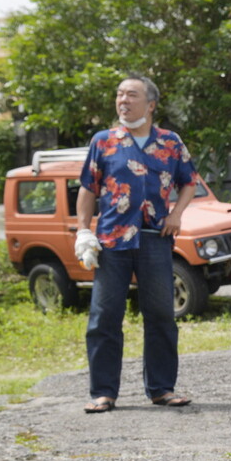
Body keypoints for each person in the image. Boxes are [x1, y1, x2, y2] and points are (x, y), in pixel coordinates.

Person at [75, 74, 197, 413]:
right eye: (119, 95)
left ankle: (161, 389)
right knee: (104, 317)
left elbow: (190, 181)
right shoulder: (104, 141)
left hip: (155, 240)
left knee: (160, 315)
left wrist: (177, 214)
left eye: (131, 95)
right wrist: (83, 231)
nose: (123, 101)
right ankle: (103, 393)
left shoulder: (170, 142)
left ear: (151, 104)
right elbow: (88, 188)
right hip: (112, 242)